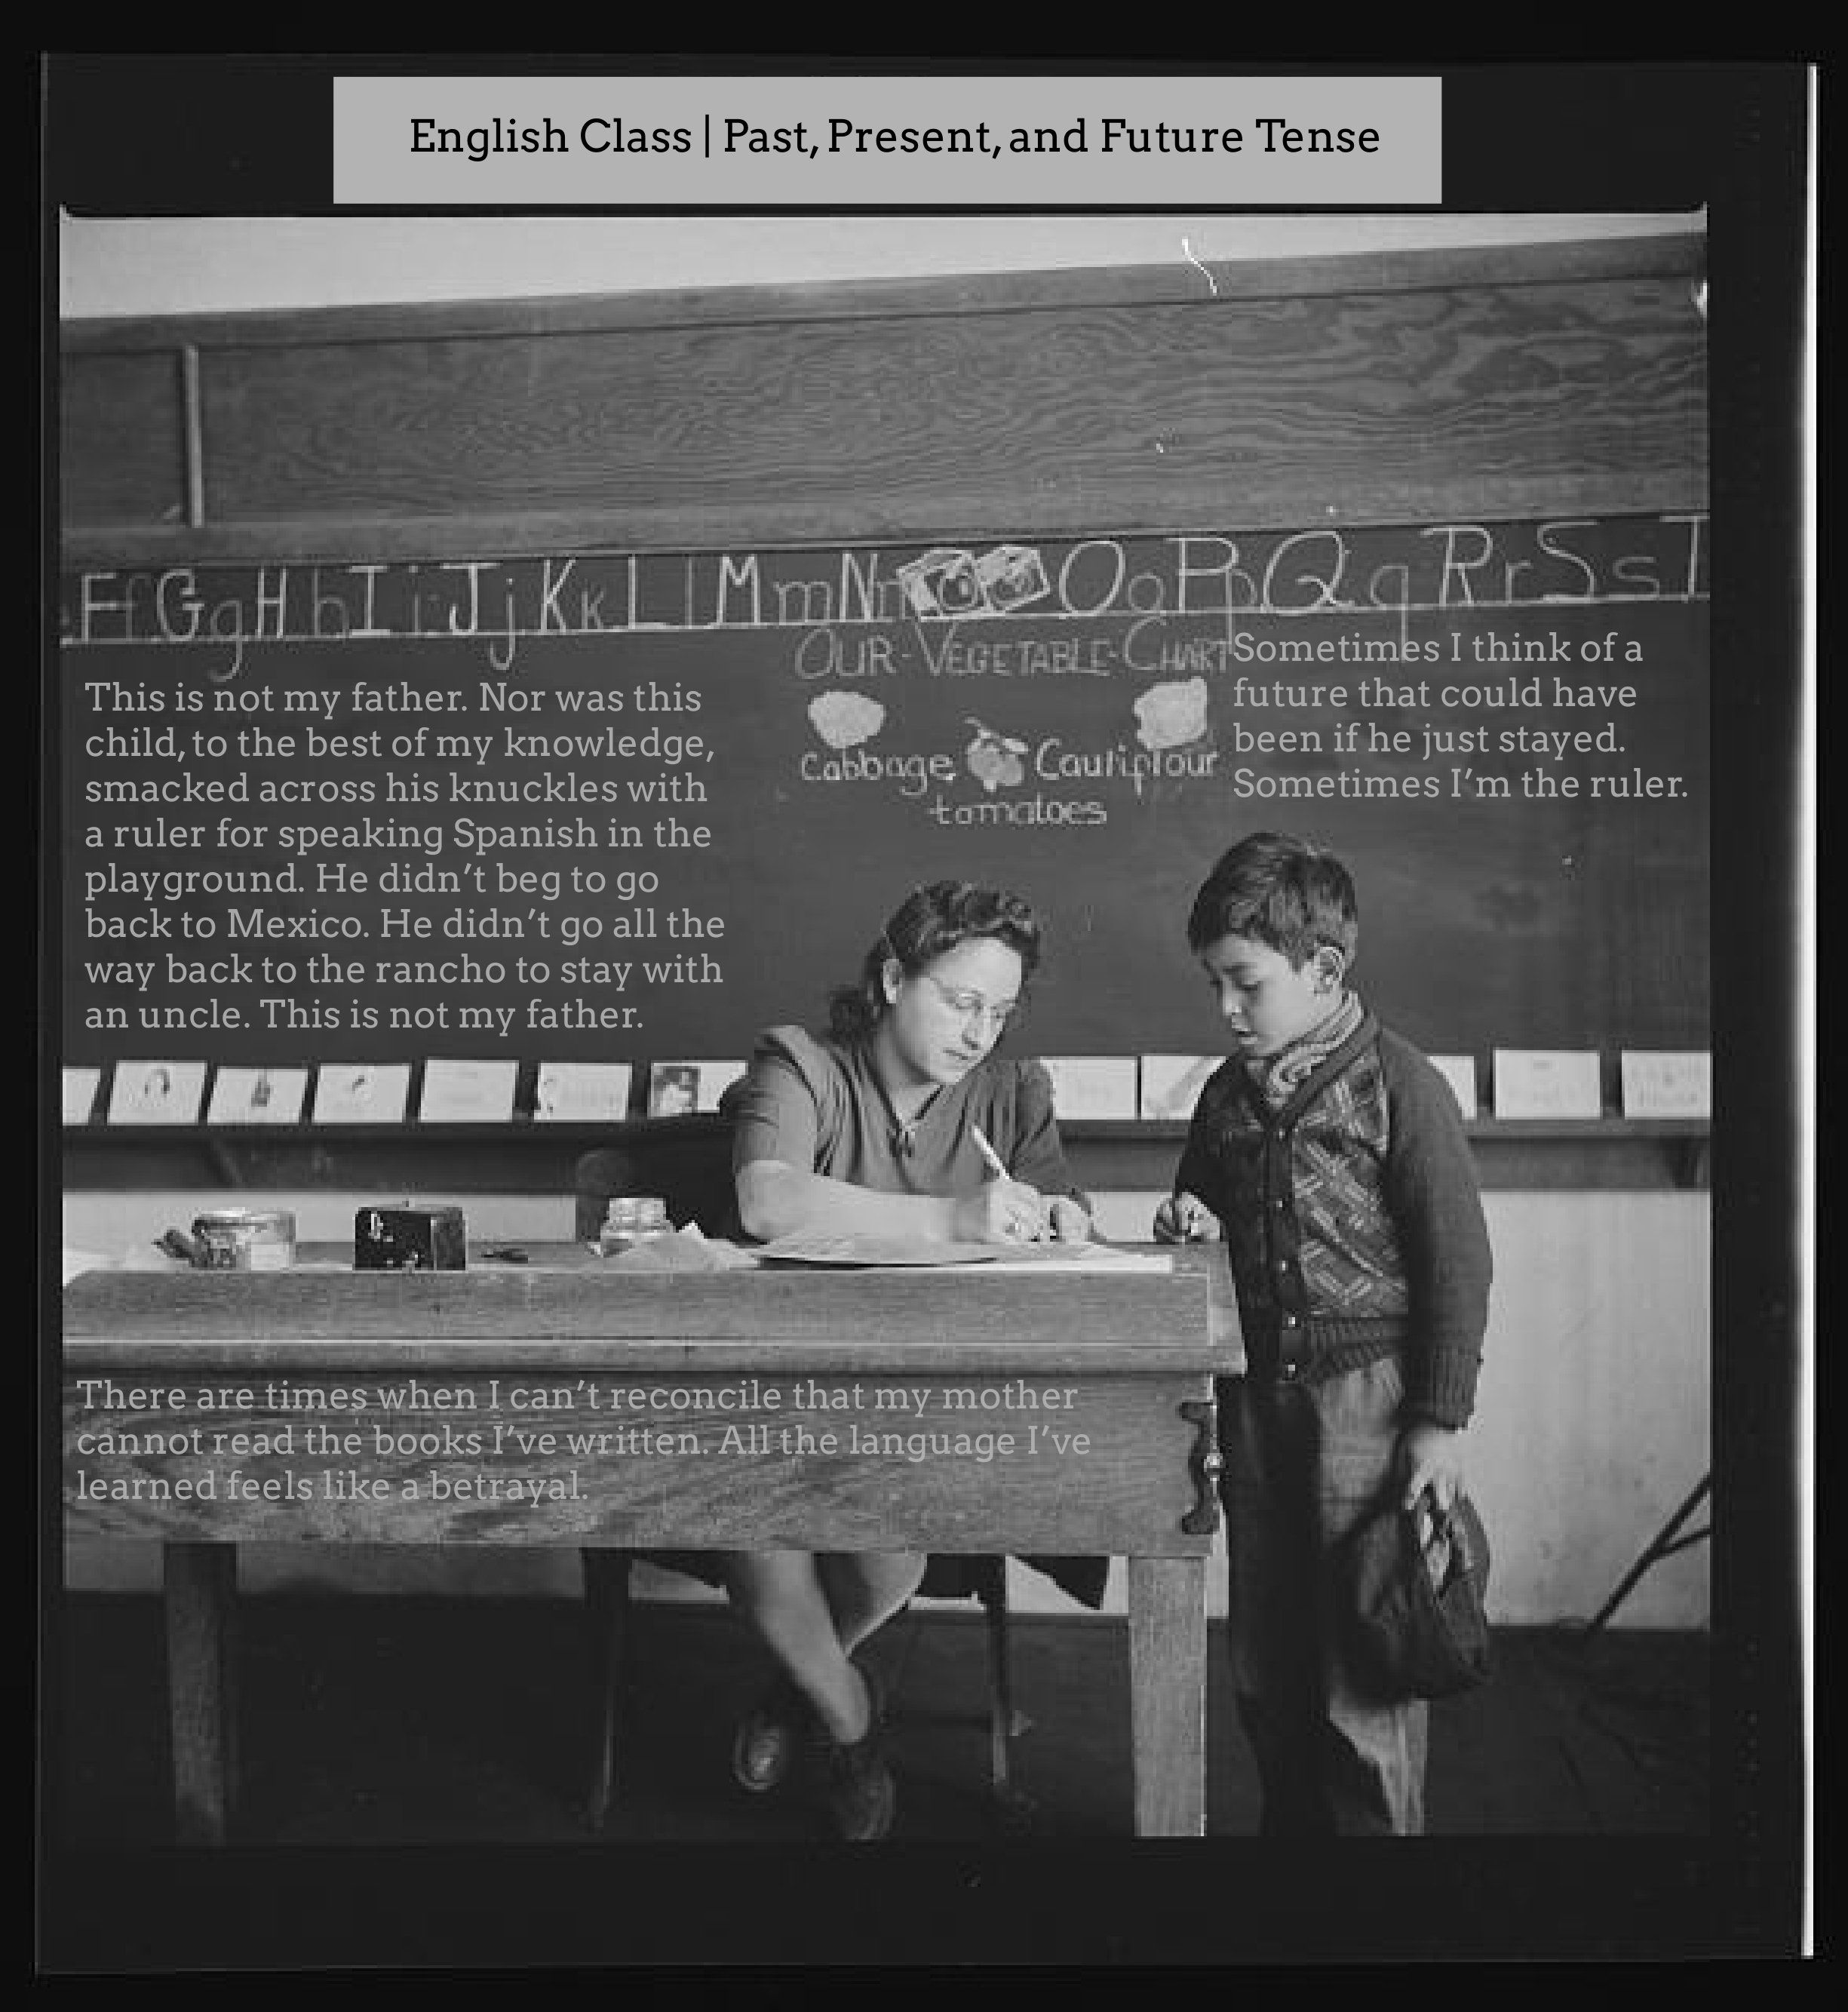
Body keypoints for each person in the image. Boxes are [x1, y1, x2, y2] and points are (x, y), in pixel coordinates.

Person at [719, 879, 1092, 1840]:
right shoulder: (797, 1064)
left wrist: (1060, 1220)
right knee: (762, 1544)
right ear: (892, 977)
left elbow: (1062, 1217)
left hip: (922, 1411)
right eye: (960, 1001)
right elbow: (767, 1202)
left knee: (890, 1563)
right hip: (771, 1399)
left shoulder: (1011, 1092)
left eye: (999, 1011)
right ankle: (848, 1721)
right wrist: (952, 1217)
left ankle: (797, 1687)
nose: (979, 1032)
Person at [1153, 831, 1491, 1834]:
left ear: (1321, 967)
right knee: (1266, 1647)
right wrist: (1188, 1219)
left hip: (1370, 1408)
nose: (1224, 1008)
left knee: (1363, 1656)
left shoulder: (1400, 1084)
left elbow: (1456, 1261)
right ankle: (1292, 1854)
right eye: (1213, 983)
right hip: (1258, 1408)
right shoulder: (1223, 1095)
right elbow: (1196, 1203)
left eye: (1243, 983)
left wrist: (1438, 1418)